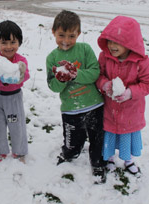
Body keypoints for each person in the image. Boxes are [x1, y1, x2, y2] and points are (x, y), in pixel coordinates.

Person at [46, 10, 107, 183]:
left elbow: (95, 73)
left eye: (71, 36)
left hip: (94, 105)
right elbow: (53, 87)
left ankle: (97, 163)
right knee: (73, 141)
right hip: (70, 109)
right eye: (61, 35)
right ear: (53, 32)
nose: (66, 40)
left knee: (97, 138)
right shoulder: (52, 58)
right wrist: (61, 79)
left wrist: (75, 74)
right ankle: (70, 153)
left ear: (78, 34)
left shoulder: (85, 49)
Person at [96, 16, 149, 175]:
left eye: (117, 42)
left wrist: (130, 92)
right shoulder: (105, 56)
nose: (111, 46)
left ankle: (128, 159)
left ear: (130, 43)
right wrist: (105, 85)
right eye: (109, 41)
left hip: (131, 112)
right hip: (110, 109)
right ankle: (109, 158)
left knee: (127, 136)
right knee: (110, 133)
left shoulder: (141, 62)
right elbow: (98, 75)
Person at [0, 20, 30, 162]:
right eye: (4, 43)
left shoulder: (21, 60)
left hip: (14, 98)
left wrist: (21, 75)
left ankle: (19, 151)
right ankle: (1, 151)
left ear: (19, 42)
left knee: (16, 125)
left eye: (13, 42)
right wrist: (3, 80)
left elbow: (26, 74)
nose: (8, 47)